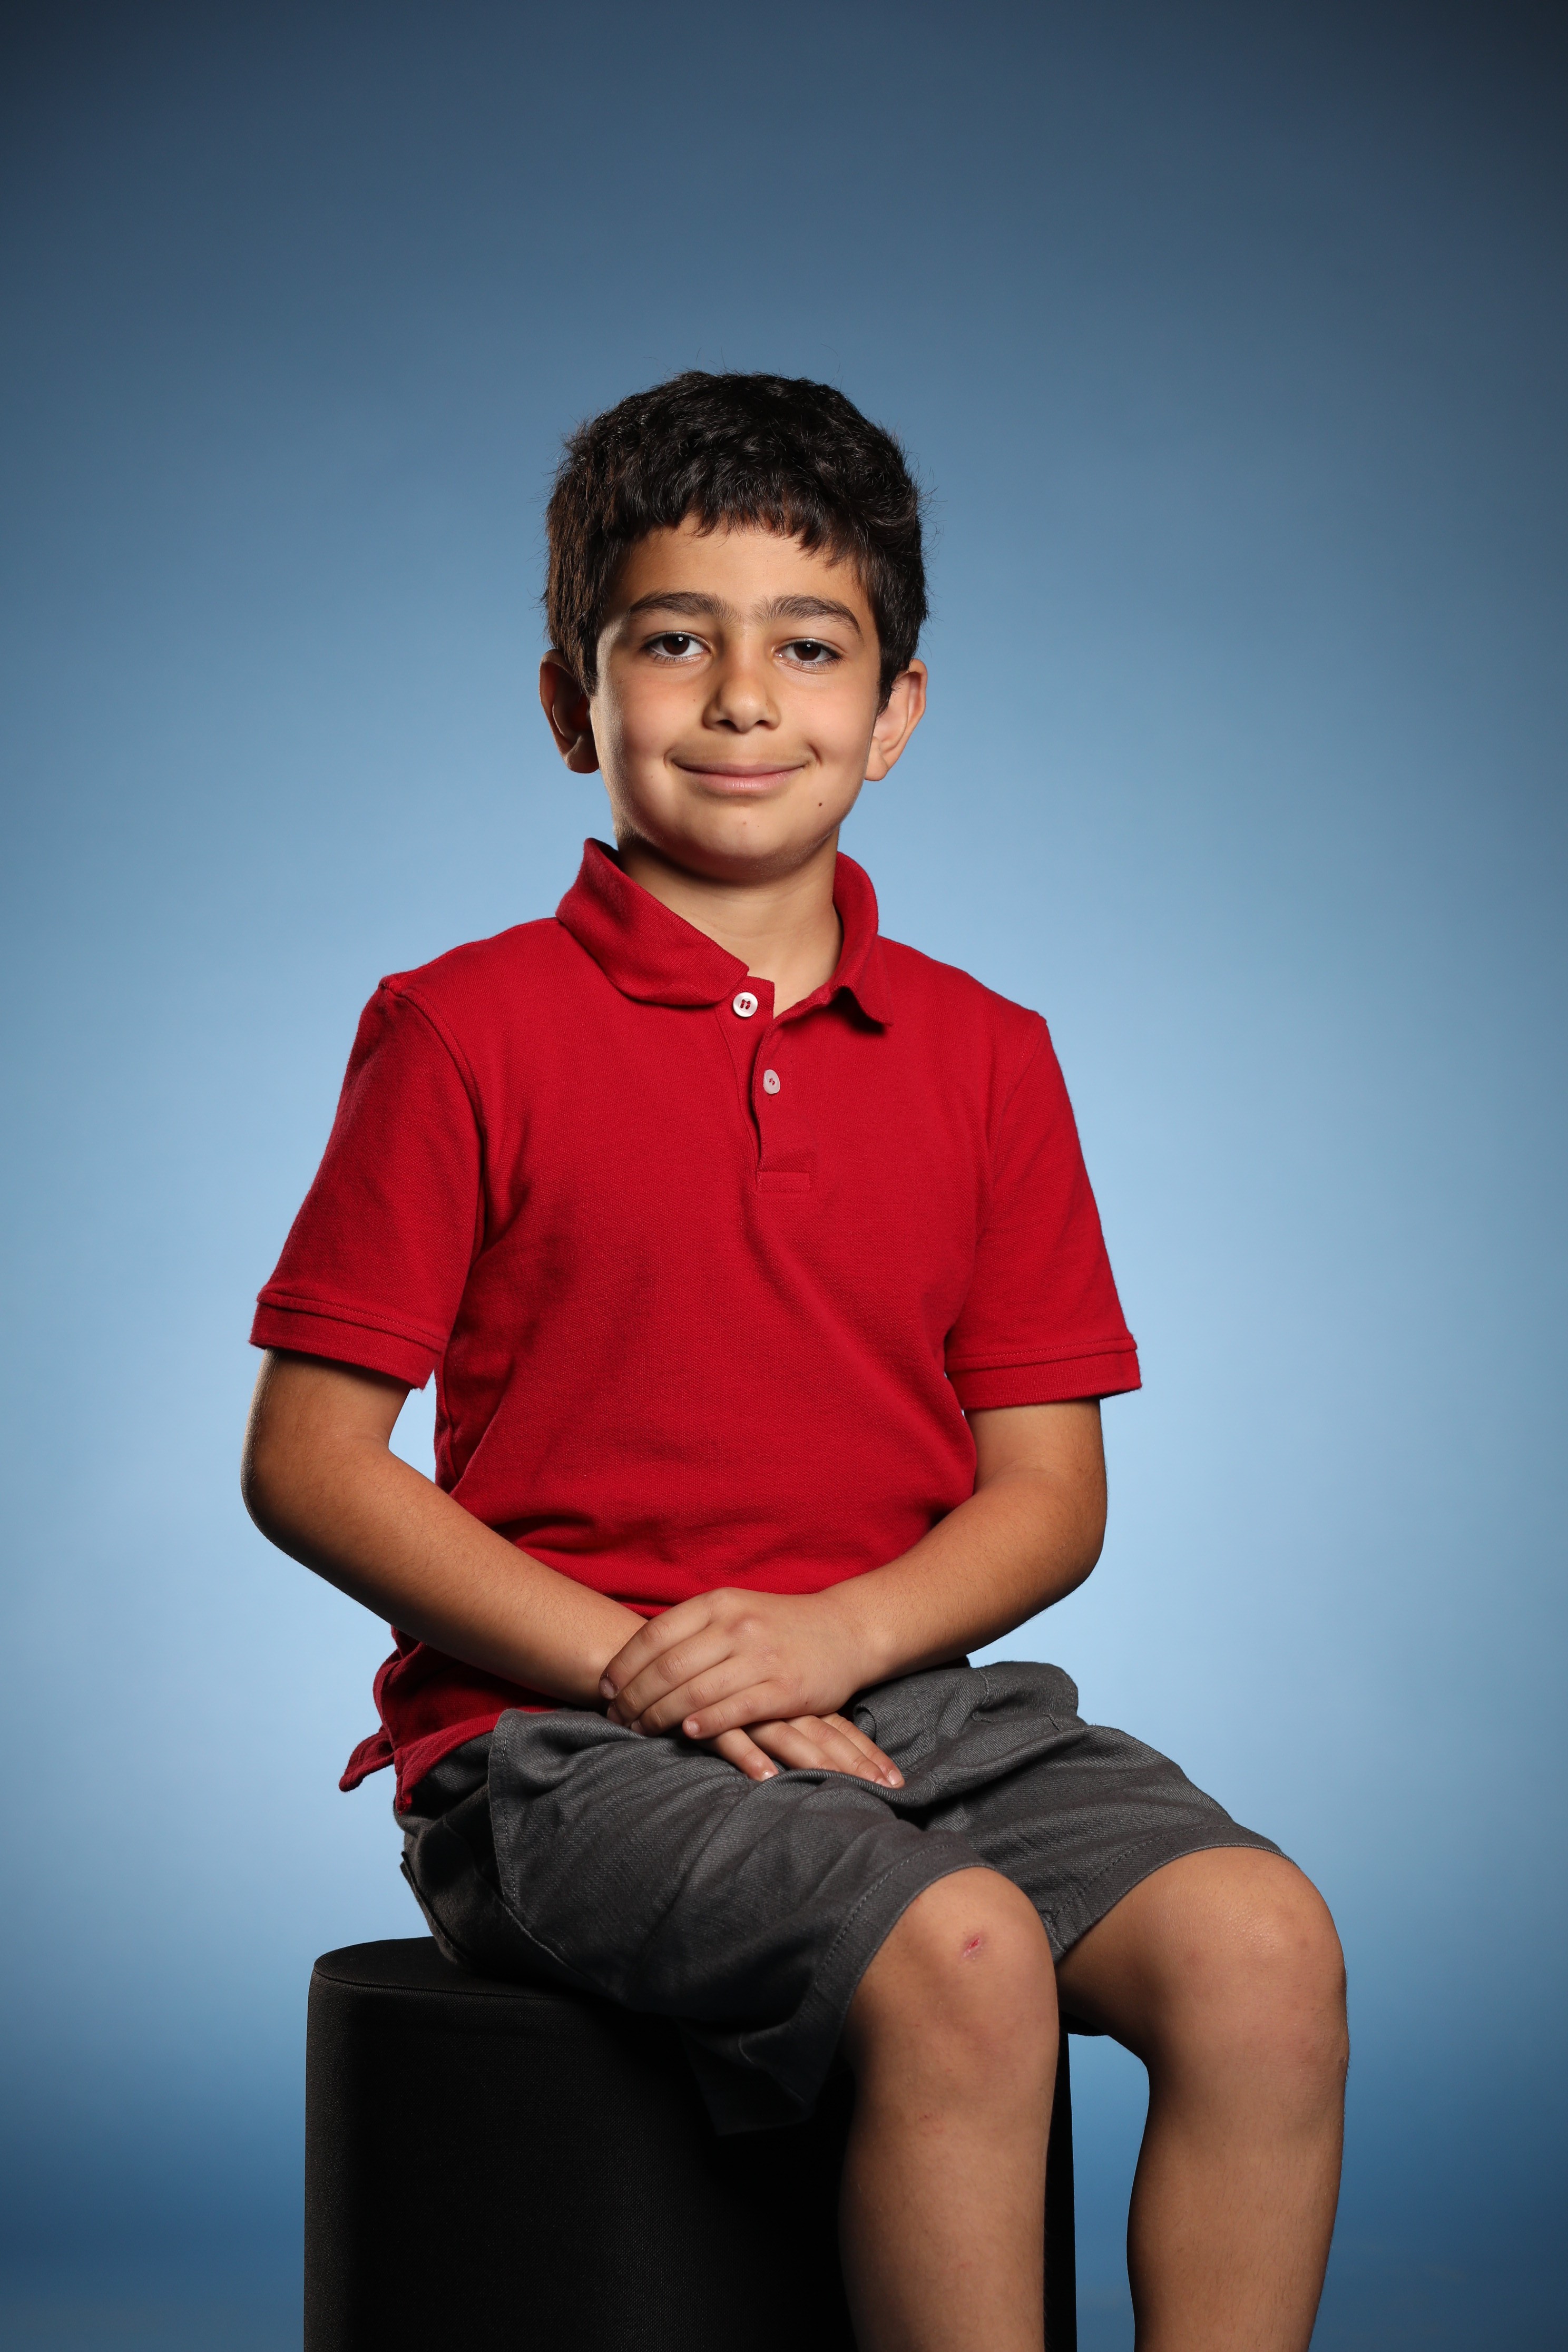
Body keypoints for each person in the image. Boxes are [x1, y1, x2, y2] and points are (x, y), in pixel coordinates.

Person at [242, 371, 1347, 2351]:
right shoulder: (462, 1029)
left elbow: (1050, 1496)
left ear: (896, 710)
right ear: (573, 700)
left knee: (1266, 1945)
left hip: (912, 1704)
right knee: (966, 1957)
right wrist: (639, 1666)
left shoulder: (990, 1055)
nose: (745, 698)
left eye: (810, 647)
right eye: (675, 640)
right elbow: (309, 1461)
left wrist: (835, 1642)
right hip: (556, 1744)